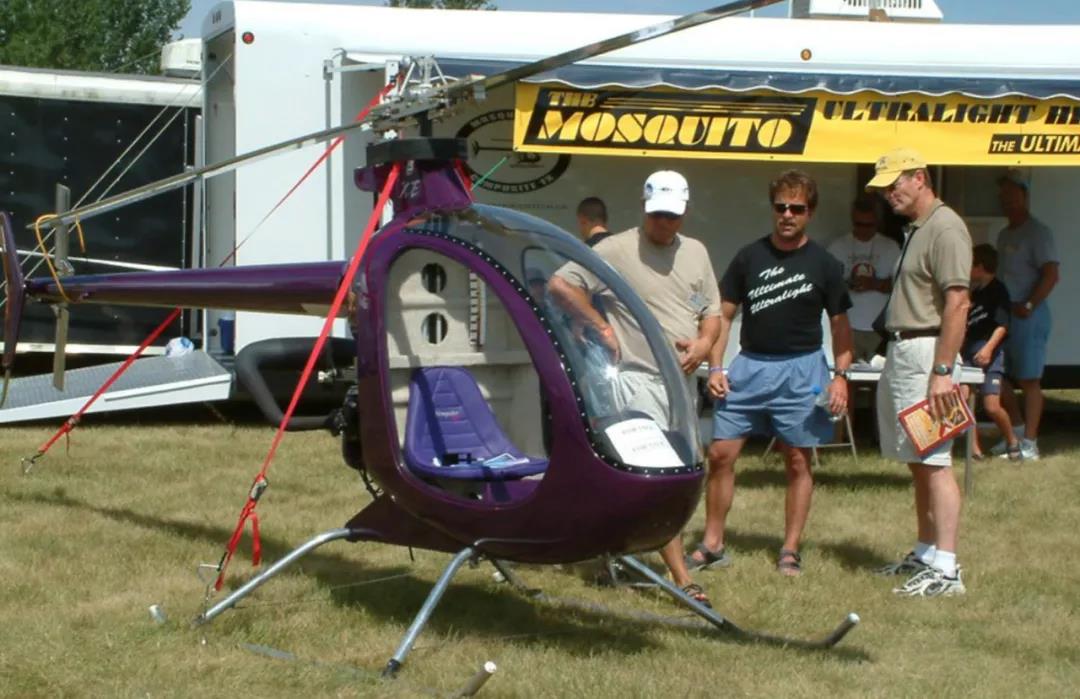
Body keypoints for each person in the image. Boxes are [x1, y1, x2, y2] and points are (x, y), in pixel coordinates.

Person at [549, 170, 721, 605]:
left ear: (685, 211)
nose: (665, 223)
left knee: (675, 472)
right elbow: (561, 285)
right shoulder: (615, 249)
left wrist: (704, 343)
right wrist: (601, 327)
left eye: (673, 216)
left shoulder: (696, 252)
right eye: (658, 214)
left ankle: (611, 550)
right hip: (637, 381)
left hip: (682, 384)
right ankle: (682, 579)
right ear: (645, 208)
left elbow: (710, 312)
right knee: (662, 475)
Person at [688, 169, 853, 578]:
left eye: (797, 208)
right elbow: (723, 315)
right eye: (781, 207)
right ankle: (712, 544)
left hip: (802, 369)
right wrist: (716, 366)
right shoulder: (749, 257)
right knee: (720, 454)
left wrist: (840, 376)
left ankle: (790, 549)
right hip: (750, 366)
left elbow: (840, 326)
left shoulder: (825, 264)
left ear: (810, 212)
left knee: (796, 459)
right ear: (773, 209)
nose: (787, 215)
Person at [866, 147, 972, 598]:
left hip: (929, 353)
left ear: (920, 178)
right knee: (917, 459)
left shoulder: (945, 227)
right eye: (884, 188)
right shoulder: (917, 228)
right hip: (906, 351)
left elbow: (958, 302)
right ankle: (926, 552)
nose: (888, 194)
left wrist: (942, 370)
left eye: (895, 185)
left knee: (934, 460)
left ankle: (947, 567)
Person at [990, 169, 1060, 461]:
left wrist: (1029, 305)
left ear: (1025, 195)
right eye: (1003, 194)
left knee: (1029, 380)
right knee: (998, 374)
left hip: (1029, 315)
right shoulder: (1005, 234)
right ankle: (1015, 432)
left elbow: (1051, 274)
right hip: (1006, 314)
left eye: (1012, 193)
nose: (1007, 199)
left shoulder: (1038, 232)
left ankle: (1030, 443)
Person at [961, 244, 1019, 461]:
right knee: (965, 399)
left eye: (970, 265)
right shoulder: (976, 291)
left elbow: (1002, 325)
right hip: (969, 351)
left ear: (980, 267)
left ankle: (1013, 441)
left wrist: (988, 348)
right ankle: (974, 450)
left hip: (990, 352)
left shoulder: (998, 290)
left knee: (991, 406)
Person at [827, 193, 900, 362]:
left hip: (880, 328)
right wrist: (847, 284)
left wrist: (874, 284)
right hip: (848, 326)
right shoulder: (837, 247)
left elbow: (900, 286)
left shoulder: (890, 247)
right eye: (859, 224)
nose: (863, 229)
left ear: (877, 223)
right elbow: (827, 287)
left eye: (869, 225)